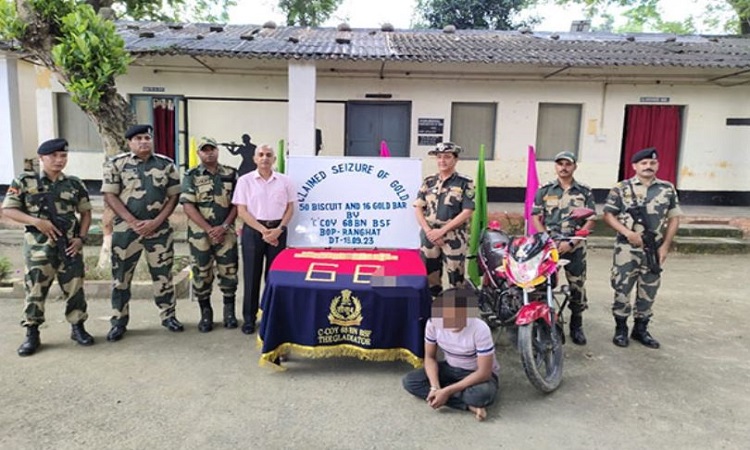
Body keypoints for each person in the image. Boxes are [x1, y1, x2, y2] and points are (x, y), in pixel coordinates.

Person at [2, 138, 94, 356]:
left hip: (69, 246)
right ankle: (32, 333)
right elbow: (9, 210)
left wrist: (80, 238)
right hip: (38, 248)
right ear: (41, 158)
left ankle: (77, 327)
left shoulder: (74, 183)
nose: (59, 160)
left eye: (63, 156)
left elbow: (86, 213)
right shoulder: (25, 180)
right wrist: (36, 222)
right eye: (53, 156)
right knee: (35, 290)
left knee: (75, 288)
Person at [102, 124, 183, 342]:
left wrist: (157, 221)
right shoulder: (117, 164)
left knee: (163, 275)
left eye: (147, 137)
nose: (144, 142)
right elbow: (110, 196)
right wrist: (133, 222)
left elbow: (173, 196)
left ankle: (168, 316)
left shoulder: (166, 165)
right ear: (130, 142)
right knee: (121, 278)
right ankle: (118, 321)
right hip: (126, 231)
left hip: (159, 231)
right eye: (138, 138)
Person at [603, 147, 681, 349]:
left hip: (653, 249)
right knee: (622, 288)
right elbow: (608, 215)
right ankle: (620, 329)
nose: (648, 166)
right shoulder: (621, 188)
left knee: (649, 289)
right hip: (626, 249)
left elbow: (674, 218)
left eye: (652, 163)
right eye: (644, 163)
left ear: (658, 165)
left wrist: (665, 246)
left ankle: (640, 329)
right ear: (634, 166)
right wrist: (627, 233)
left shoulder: (667, 188)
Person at [402, 288, 499, 421]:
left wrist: (447, 392)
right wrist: (434, 387)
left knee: (481, 395)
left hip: (475, 374)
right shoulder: (433, 324)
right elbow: (430, 357)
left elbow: (484, 372)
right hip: (450, 367)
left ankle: (450, 393)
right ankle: (468, 406)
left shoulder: (480, 329)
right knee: (411, 382)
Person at [531, 151, 596, 345]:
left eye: (568, 164)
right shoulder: (545, 190)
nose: (563, 167)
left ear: (574, 166)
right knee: (543, 284)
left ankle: (577, 324)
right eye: (560, 164)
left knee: (576, 285)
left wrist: (572, 242)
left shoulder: (584, 191)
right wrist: (548, 240)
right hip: (549, 246)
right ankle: (545, 323)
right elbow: (535, 217)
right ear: (555, 167)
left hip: (574, 245)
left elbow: (591, 219)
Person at [232, 144, 295, 335]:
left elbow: (290, 208)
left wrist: (279, 229)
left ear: (274, 159)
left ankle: (270, 316)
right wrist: (263, 231)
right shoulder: (245, 181)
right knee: (251, 277)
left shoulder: (285, 181)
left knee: (274, 278)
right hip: (253, 230)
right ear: (254, 159)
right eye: (261, 155)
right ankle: (250, 319)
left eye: (268, 155)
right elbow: (241, 211)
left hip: (278, 230)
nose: (265, 158)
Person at [180, 138, 239, 332]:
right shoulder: (191, 175)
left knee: (229, 271)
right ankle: (206, 314)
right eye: (204, 150)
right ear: (199, 153)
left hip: (226, 232)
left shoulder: (230, 173)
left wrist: (223, 226)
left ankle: (229, 313)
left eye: (212, 149)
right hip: (200, 235)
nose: (209, 153)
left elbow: (237, 204)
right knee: (201, 273)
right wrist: (209, 229)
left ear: (217, 150)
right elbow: (188, 206)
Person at [414, 142, 475, 297]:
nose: (442, 161)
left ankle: (458, 315)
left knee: (456, 277)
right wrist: (429, 232)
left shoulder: (464, 183)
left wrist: (442, 231)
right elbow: (418, 207)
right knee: (429, 276)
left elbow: (467, 211)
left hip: (454, 236)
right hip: (429, 236)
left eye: (447, 157)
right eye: (439, 157)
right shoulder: (429, 182)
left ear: (455, 160)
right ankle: (431, 310)